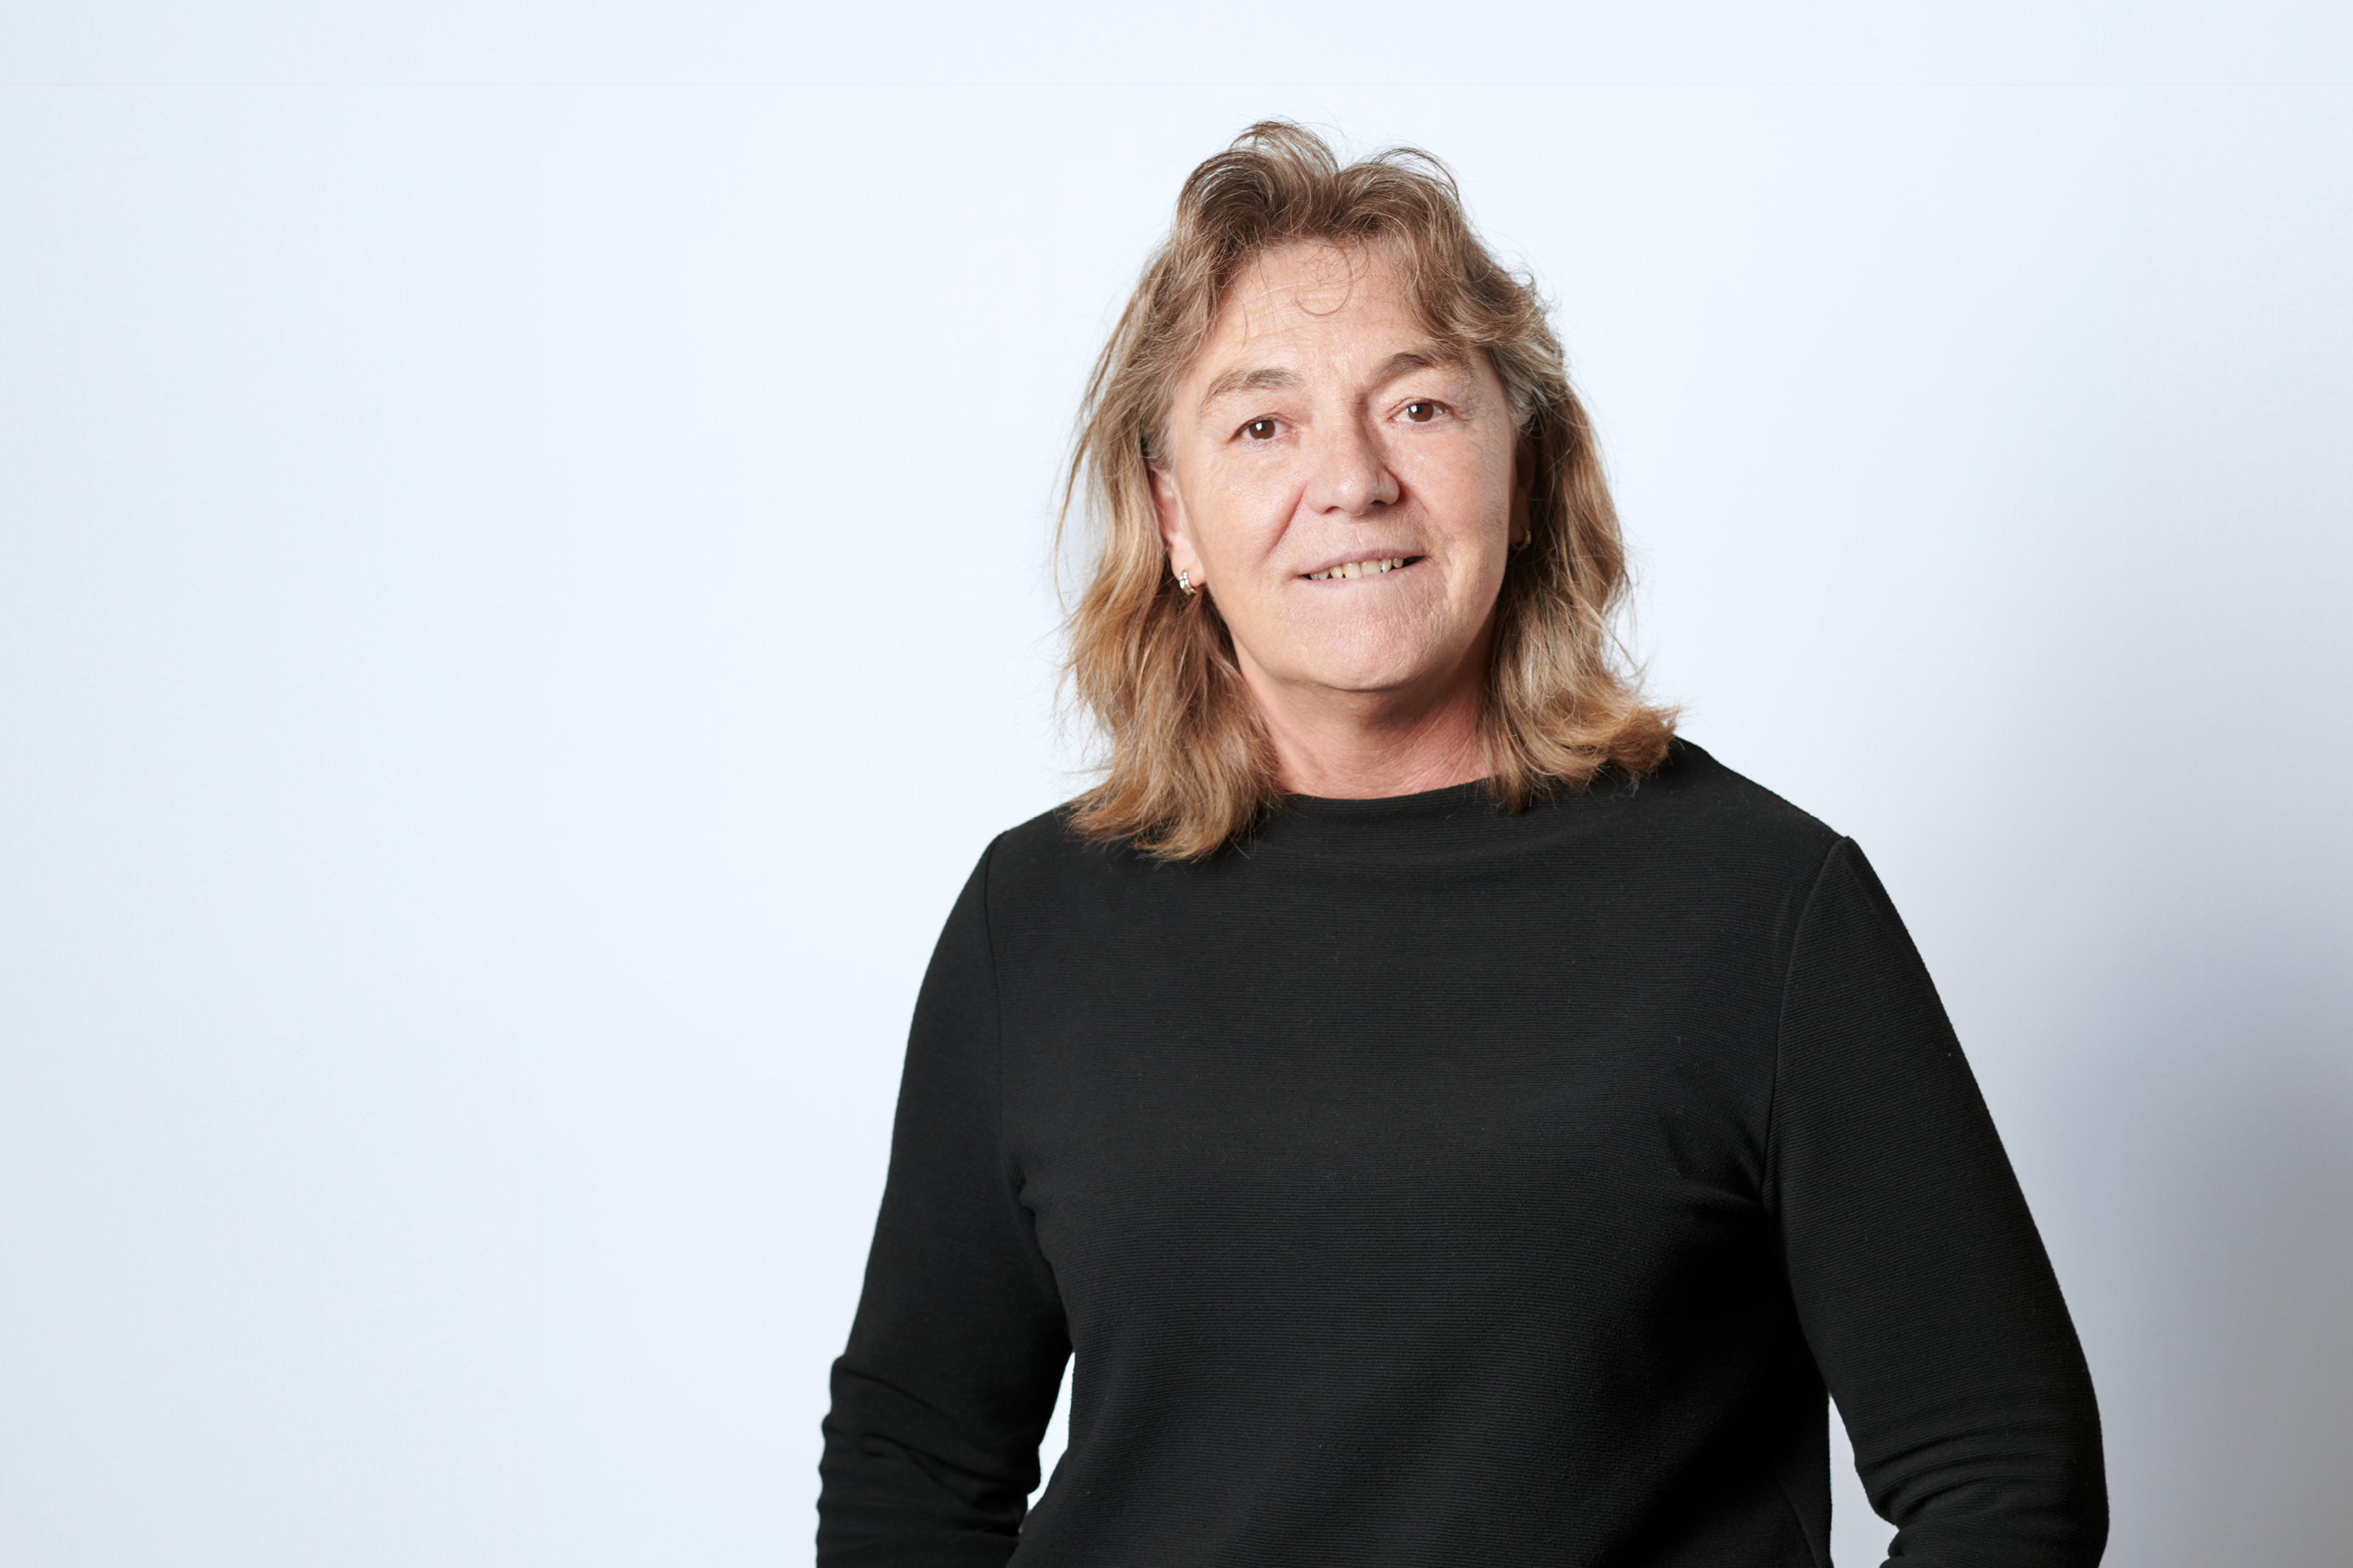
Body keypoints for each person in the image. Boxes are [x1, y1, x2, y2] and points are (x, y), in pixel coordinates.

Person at [817, 122, 2106, 1567]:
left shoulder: (1759, 909)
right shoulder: (1036, 921)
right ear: (1174, 518)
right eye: (1261, 425)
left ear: (1523, 467)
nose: (1351, 480)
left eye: (1419, 405)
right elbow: (915, 1468)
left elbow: (2001, 1475)